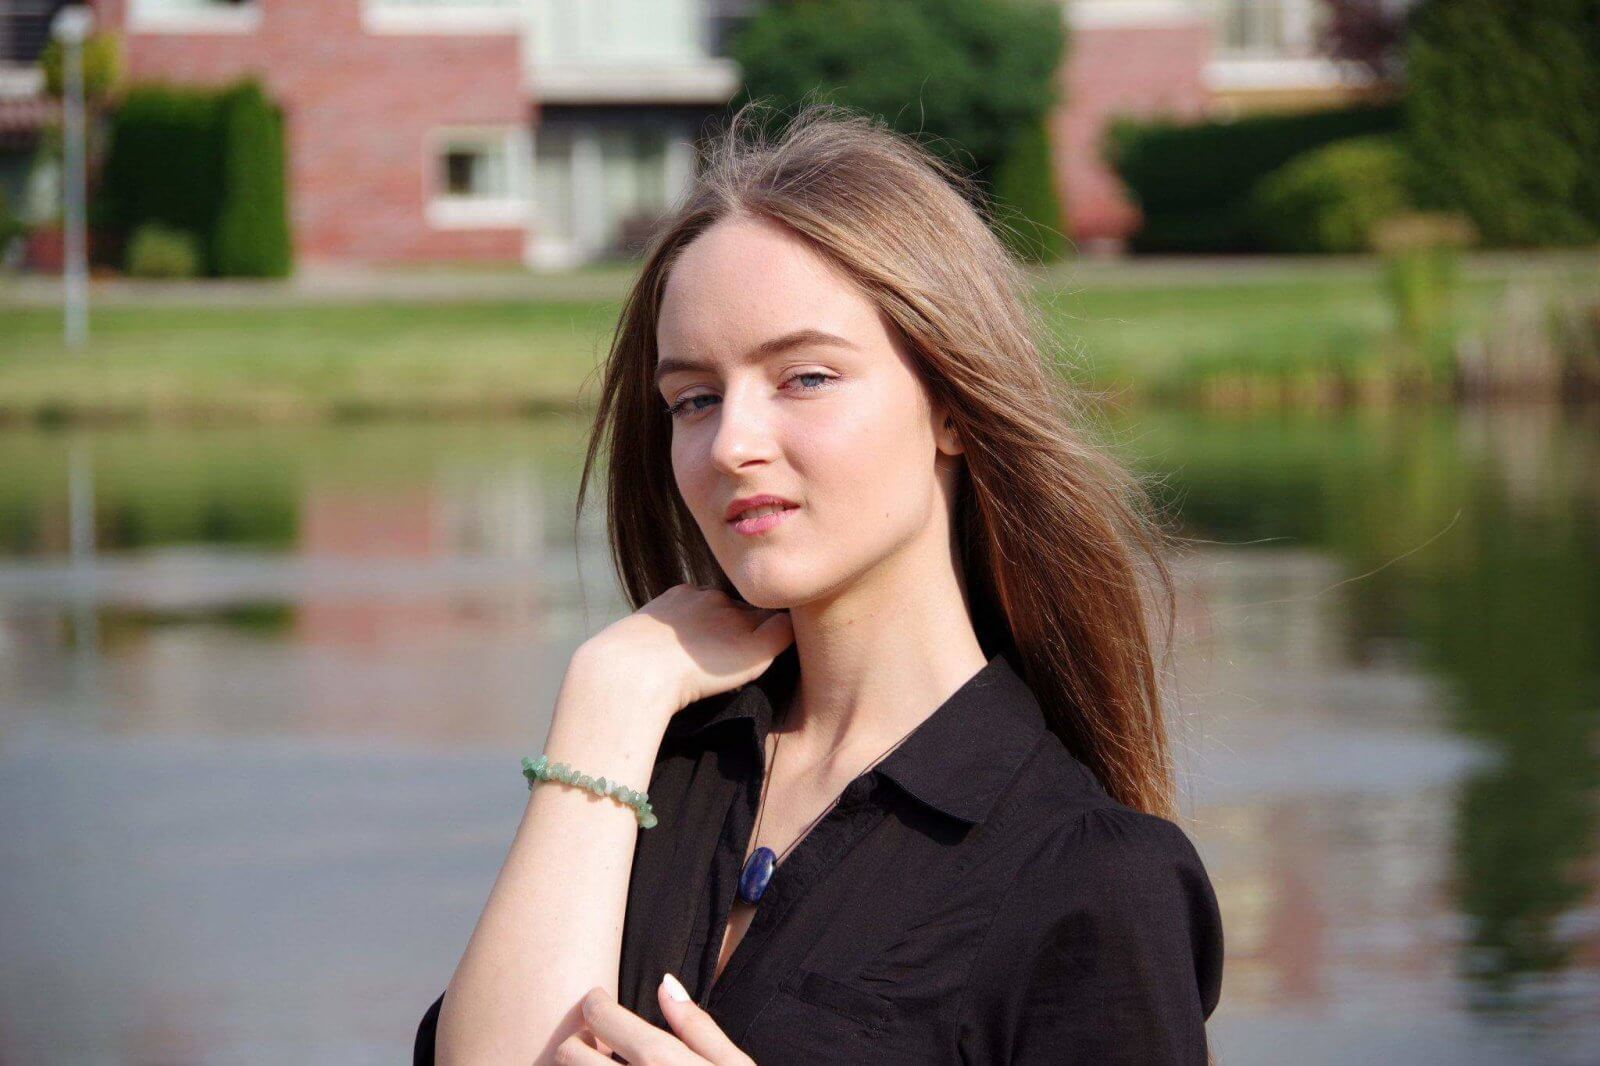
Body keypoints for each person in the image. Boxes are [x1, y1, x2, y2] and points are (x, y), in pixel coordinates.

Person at [415, 101, 1223, 1065]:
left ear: (951, 406)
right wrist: (606, 701)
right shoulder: (643, 772)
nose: (732, 444)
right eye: (694, 399)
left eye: (805, 378)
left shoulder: (1090, 874)